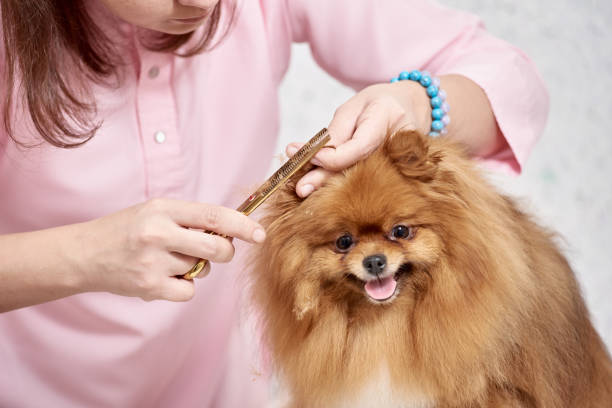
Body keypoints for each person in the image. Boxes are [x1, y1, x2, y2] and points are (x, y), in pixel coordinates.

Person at [0, 0, 548, 406]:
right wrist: (83, 256)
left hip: (219, 389)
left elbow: (507, 77)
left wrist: (416, 100)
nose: (199, 4)